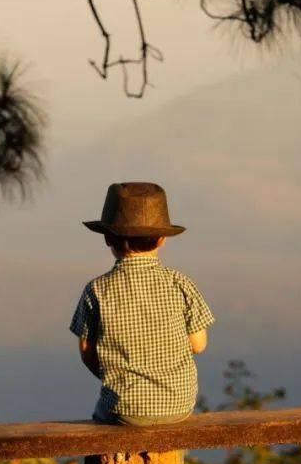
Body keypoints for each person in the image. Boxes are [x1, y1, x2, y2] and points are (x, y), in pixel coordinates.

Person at [69, 182, 215, 426]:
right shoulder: (180, 283)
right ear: (161, 240)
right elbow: (198, 345)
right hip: (179, 406)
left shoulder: (96, 290)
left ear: (107, 238)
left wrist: (117, 379)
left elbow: (87, 352)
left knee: (99, 418)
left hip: (124, 409)